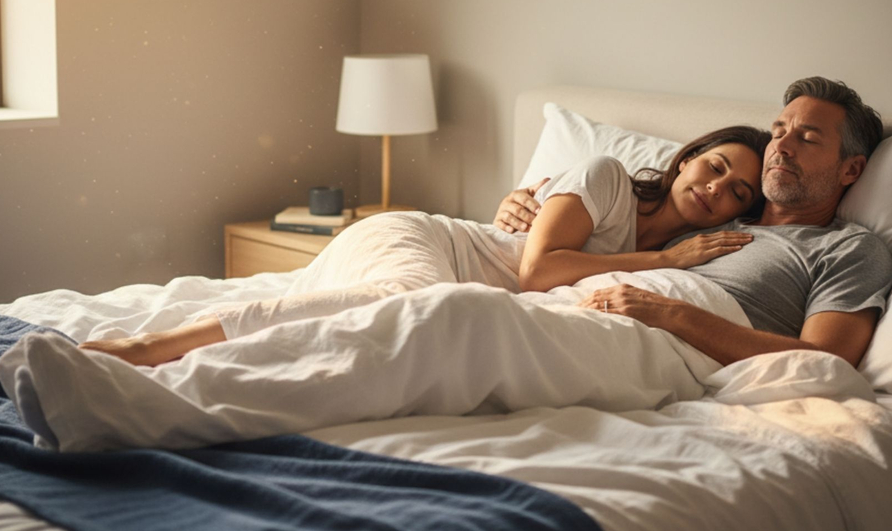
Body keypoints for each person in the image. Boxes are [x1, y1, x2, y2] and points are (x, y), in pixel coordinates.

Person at [79, 126, 769, 367]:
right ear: (685, 161)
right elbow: (538, 273)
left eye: (738, 191)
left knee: (392, 328)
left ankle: (215, 353)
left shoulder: (705, 249)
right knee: (411, 303)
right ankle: (151, 348)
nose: (717, 189)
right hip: (418, 238)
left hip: (441, 263)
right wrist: (660, 262)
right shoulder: (606, 177)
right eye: (714, 167)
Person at [497, 76, 892, 368]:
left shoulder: (850, 249)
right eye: (779, 132)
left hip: (646, 344)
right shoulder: (709, 217)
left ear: (851, 169)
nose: (782, 148)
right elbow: (605, 233)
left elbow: (826, 363)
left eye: (807, 139)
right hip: (572, 306)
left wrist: (669, 313)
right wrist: (525, 205)